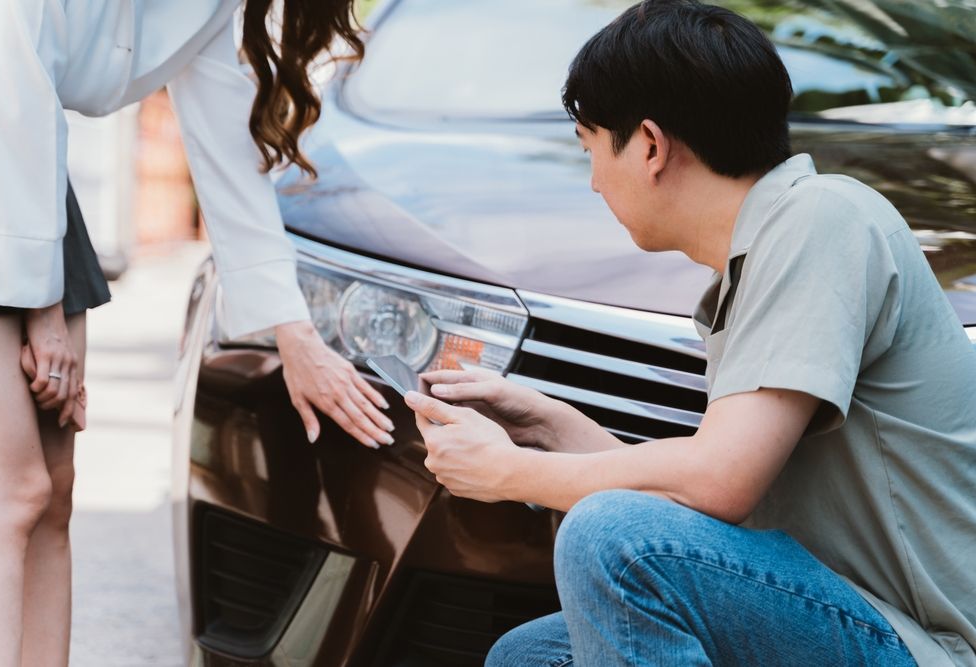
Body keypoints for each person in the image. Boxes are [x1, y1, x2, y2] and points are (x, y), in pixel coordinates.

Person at [404, 1, 976, 665]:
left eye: (591, 148)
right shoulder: (761, 256)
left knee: (611, 534)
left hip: (927, 645)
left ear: (649, 145)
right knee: (529, 655)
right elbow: (712, 500)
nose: (592, 181)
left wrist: (510, 470)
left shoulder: (824, 219)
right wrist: (552, 425)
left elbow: (717, 483)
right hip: (840, 612)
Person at [0, 1, 396, 664]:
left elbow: (224, 148)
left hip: (33, 175)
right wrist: (43, 307)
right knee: (8, 493)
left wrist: (297, 338)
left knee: (54, 494)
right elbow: (8, 48)